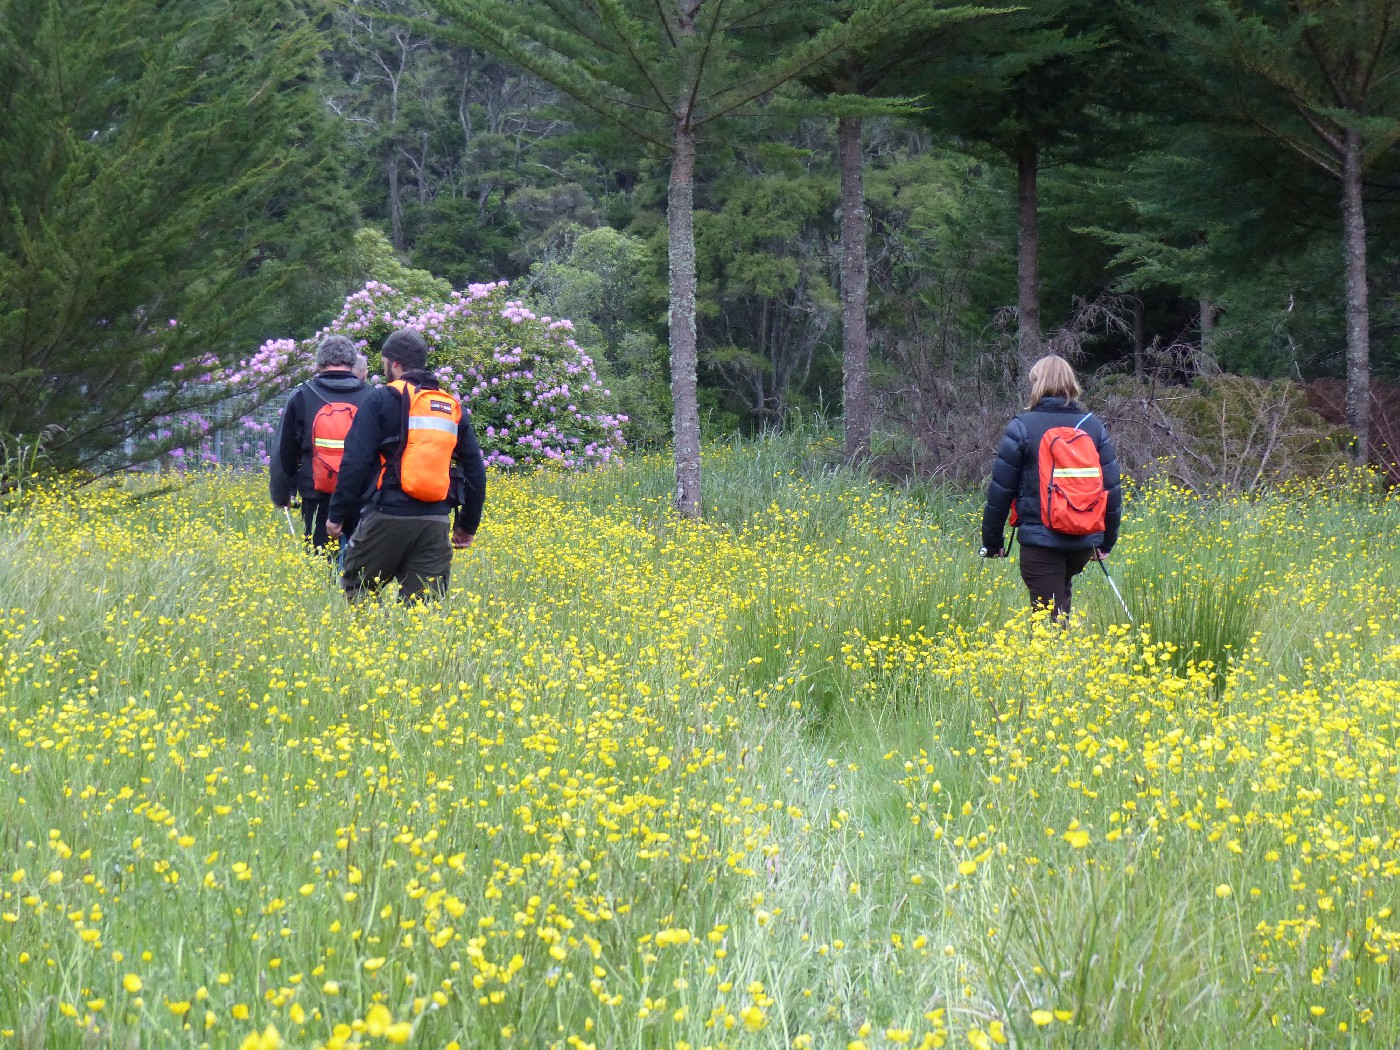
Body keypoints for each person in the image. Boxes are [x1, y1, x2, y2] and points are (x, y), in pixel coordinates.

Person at [327, 328, 486, 602]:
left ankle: (371, 644)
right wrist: (467, 526)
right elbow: (475, 471)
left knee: (358, 591)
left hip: (388, 514)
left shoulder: (379, 398)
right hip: (435, 520)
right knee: (423, 610)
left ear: (395, 364)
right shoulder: (449, 406)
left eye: (385, 363)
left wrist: (337, 515)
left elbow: (355, 462)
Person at [981, 354, 1122, 620]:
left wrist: (992, 542)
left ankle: (1054, 658)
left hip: (1041, 541)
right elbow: (1111, 490)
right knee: (1059, 607)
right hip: (1081, 540)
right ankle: (1062, 656)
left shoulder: (1022, 426)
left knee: (1048, 621)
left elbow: (1001, 490)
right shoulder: (1093, 426)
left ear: (1037, 384)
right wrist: (1106, 542)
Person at [270, 335, 372, 551]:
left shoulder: (302, 395)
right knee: (359, 563)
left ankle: (324, 584)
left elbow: (284, 450)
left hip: (316, 492)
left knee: (320, 559)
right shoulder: (373, 396)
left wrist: (282, 493)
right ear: (353, 362)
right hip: (361, 495)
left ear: (319, 362)